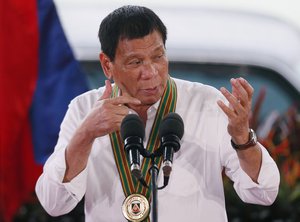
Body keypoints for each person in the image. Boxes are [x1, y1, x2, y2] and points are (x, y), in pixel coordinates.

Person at [35, 5, 280, 222]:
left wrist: (242, 138)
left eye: (158, 56)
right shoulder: (83, 109)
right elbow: (54, 203)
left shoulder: (208, 104)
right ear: (107, 65)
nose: (151, 72)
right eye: (135, 62)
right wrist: (85, 135)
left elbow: (264, 193)